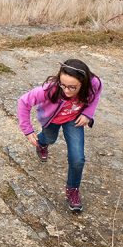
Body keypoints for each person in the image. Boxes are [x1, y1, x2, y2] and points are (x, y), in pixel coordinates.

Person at [17, 59, 102, 213]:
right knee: (50, 138)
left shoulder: (93, 83)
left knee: (77, 158)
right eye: (63, 85)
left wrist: (88, 113)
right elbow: (23, 102)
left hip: (74, 120)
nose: (66, 90)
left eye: (72, 87)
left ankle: (73, 189)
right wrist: (28, 131)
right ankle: (42, 144)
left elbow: (97, 92)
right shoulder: (49, 89)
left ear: (83, 83)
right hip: (52, 120)